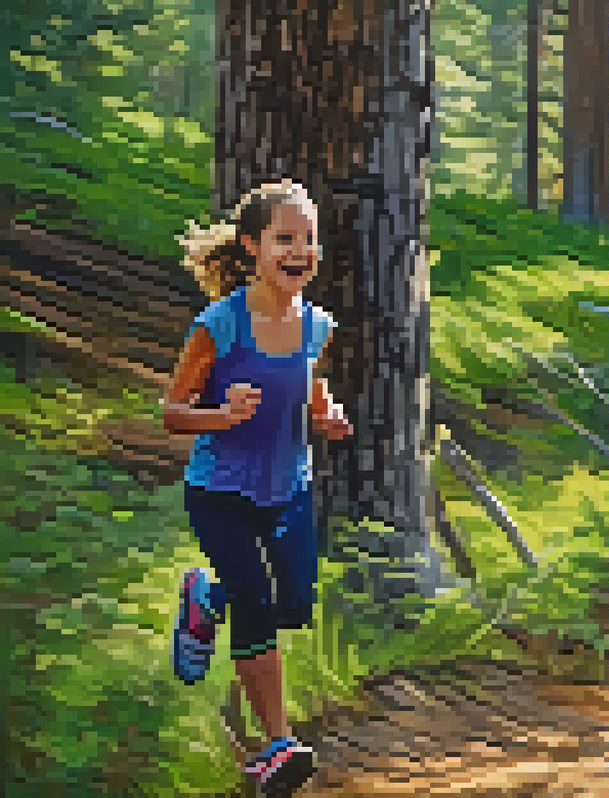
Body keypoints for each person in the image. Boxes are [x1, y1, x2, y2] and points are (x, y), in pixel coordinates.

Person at [165, 180, 351, 796]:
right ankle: (276, 744)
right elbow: (172, 412)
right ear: (252, 245)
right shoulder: (218, 325)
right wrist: (220, 415)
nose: (299, 252)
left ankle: (205, 598)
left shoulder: (316, 326)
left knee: (294, 604)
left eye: (308, 240)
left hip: (286, 490)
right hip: (219, 492)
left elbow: (309, 387)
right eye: (285, 240)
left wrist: (326, 416)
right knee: (255, 600)